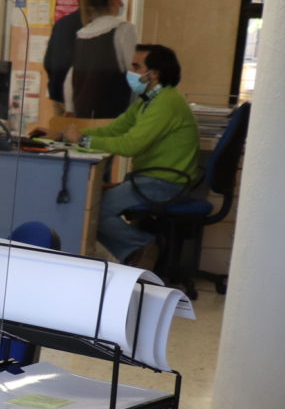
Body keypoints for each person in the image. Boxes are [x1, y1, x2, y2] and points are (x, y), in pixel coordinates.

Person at [82, 42, 201, 265]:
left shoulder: (166, 103)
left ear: (154, 74)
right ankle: (136, 254)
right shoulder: (146, 102)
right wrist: (70, 135)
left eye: (136, 67)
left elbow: (131, 145)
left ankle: (143, 246)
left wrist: (83, 140)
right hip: (149, 179)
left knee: (94, 213)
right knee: (89, 207)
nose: (130, 72)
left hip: (165, 183)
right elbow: (114, 130)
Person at [41, 0, 117, 118]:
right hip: (82, 97)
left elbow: (48, 62)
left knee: (59, 130)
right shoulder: (98, 26)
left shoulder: (62, 22)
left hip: (57, 92)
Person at [63, 0, 137, 119]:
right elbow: (134, 72)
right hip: (113, 115)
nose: (121, 3)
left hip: (83, 112)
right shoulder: (124, 29)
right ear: (113, 0)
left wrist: (70, 108)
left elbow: (70, 77)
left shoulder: (82, 34)